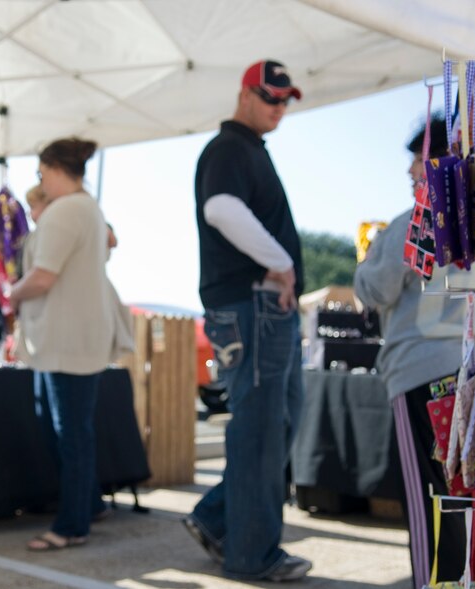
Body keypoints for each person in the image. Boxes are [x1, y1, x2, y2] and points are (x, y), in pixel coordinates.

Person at [353, 116, 475, 588]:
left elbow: (376, 289)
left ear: (434, 160)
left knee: (431, 501)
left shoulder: (412, 219)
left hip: (420, 374)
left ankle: (432, 584)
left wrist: (364, 265)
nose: (411, 171)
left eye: (417, 158)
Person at [184, 60, 310, 583]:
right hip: (252, 306)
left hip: (259, 307)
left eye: (285, 99)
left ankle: (218, 518)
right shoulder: (230, 148)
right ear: (245, 94)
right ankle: (252, 555)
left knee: (276, 425)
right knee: (261, 430)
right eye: (270, 97)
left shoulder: (246, 148)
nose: (279, 107)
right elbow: (222, 209)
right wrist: (280, 264)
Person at [9, 138, 114, 551]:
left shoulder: (67, 210)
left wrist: (12, 292)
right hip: (71, 339)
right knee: (70, 431)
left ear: (54, 169)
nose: (40, 181)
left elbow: (42, 277)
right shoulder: (88, 208)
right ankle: (88, 506)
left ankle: (72, 525)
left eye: (40, 173)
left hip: (65, 341)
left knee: (70, 435)